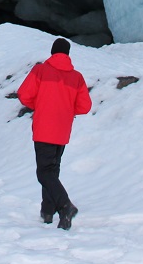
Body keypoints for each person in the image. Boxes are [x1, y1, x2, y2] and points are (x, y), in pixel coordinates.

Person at [17, 37, 92, 230]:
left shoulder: (41, 70)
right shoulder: (77, 77)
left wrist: (40, 106)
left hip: (43, 128)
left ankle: (65, 206)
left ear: (52, 52)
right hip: (62, 130)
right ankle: (48, 211)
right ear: (68, 54)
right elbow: (85, 106)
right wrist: (66, 109)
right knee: (52, 171)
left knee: (44, 172)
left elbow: (24, 95)